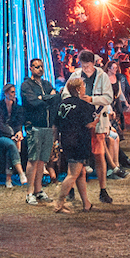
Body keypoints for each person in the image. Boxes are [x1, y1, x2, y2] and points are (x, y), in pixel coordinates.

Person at [76, 50, 114, 204]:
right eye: (83, 66)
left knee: (99, 155)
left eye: (88, 66)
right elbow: (66, 93)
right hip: (80, 121)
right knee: (79, 158)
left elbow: (108, 97)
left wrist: (91, 99)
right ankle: (76, 189)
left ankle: (103, 189)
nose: (85, 69)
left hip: (97, 119)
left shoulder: (102, 77)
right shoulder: (76, 75)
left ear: (94, 63)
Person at [52, 77, 95, 212]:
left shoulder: (62, 104)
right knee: (73, 174)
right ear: (78, 89)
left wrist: (55, 142)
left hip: (66, 141)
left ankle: (86, 203)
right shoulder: (85, 106)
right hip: (79, 142)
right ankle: (59, 203)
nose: (84, 88)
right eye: (82, 86)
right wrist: (97, 120)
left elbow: (55, 125)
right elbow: (88, 125)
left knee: (80, 173)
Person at [20, 57, 57, 205]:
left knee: (42, 160)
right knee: (33, 159)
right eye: (36, 67)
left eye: (41, 66)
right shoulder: (26, 85)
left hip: (47, 126)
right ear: (31, 68)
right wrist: (47, 98)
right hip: (34, 126)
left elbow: (55, 98)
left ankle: (38, 189)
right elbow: (33, 102)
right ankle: (29, 192)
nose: (39, 69)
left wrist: (44, 98)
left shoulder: (46, 84)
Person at [0, 84, 27, 188]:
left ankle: (8, 179)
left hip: (13, 136)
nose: (14, 94)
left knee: (11, 149)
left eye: (14, 92)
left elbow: (19, 123)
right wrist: (11, 135)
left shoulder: (17, 107)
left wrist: (19, 133)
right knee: (11, 145)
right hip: (0, 135)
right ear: (5, 93)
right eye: (11, 92)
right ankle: (21, 173)